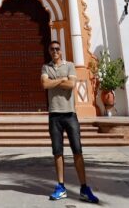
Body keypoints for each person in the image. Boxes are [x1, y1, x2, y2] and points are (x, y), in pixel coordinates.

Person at [40, 41, 99, 203]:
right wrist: (61, 80)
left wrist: (56, 81)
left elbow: (72, 84)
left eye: (57, 49)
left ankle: (84, 188)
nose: (55, 51)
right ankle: (61, 186)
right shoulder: (46, 67)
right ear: (49, 51)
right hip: (54, 115)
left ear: (61, 51)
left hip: (70, 114)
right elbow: (45, 84)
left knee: (77, 150)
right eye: (52, 49)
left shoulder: (71, 65)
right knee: (57, 152)